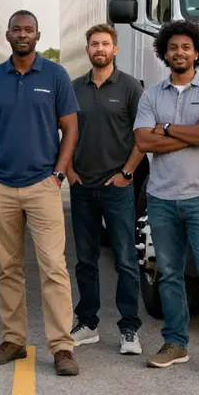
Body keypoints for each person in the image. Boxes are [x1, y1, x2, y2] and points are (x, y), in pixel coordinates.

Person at [133, 19, 199, 379]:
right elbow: (143, 141)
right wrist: (193, 132)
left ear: (197, 52)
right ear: (164, 53)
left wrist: (165, 129)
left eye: (185, 47)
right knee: (168, 274)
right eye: (172, 48)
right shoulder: (152, 95)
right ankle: (175, 342)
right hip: (161, 197)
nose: (179, 53)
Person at [0, 10, 81, 377]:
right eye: (16, 29)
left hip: (42, 185)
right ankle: (13, 340)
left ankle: (62, 347)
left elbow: (70, 127)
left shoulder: (55, 75)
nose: (22, 34)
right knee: (8, 268)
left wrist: (58, 173)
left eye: (29, 30)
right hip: (2, 187)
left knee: (53, 267)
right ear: (8, 35)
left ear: (38, 36)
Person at [67, 24, 145, 354]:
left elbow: (142, 136)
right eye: (94, 43)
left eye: (105, 43)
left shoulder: (130, 87)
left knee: (125, 259)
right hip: (82, 186)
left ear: (115, 49)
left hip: (117, 187)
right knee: (85, 260)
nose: (100, 48)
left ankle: (129, 329)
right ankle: (88, 323)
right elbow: (64, 132)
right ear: (87, 49)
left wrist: (127, 174)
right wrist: (69, 171)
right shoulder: (74, 88)